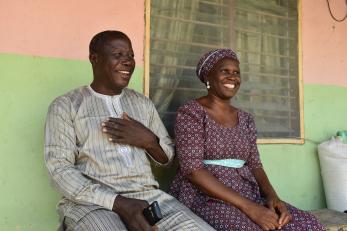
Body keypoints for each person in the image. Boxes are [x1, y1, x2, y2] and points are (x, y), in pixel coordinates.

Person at [44, 30, 215, 231]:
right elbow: (59, 170)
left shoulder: (142, 104)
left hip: (148, 198)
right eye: (118, 55)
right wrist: (119, 203)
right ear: (94, 58)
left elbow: (167, 158)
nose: (128, 62)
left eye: (131, 56)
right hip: (91, 203)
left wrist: (149, 141)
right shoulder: (67, 105)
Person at [169, 49, 325, 231]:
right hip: (205, 197)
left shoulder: (245, 119)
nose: (232, 77)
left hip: (247, 193)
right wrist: (250, 208)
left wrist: (273, 197)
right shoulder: (191, 112)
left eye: (236, 72)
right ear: (208, 77)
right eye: (224, 71)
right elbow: (193, 170)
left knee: (308, 225)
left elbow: (255, 165)